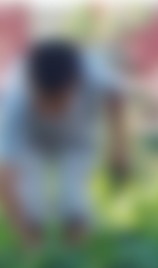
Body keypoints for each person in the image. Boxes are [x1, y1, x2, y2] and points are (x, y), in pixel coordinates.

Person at [0, 39, 127, 246]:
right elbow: (6, 174)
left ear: (75, 84)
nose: (54, 109)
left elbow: (116, 100)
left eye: (60, 99)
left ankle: (77, 251)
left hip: (77, 137)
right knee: (30, 199)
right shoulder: (15, 95)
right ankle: (34, 247)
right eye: (47, 101)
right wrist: (26, 234)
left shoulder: (93, 72)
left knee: (75, 199)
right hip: (32, 140)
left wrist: (119, 148)